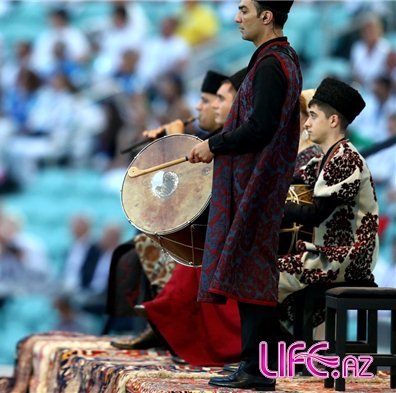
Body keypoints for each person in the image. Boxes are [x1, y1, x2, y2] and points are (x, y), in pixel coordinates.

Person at [187, 1, 302, 389]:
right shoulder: (273, 60)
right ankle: (253, 365)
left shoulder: (272, 64)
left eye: (244, 9)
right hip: (257, 181)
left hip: (259, 183)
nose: (236, 18)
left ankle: (258, 369)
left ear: (266, 16)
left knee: (255, 275)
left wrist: (214, 145)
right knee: (250, 273)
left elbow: (260, 128)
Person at [112, 69, 233, 351]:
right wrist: (164, 146)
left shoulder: (225, 140)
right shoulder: (206, 137)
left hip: (213, 234)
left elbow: (188, 193)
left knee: (155, 242)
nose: (199, 108)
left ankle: (173, 332)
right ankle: (158, 328)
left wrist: (177, 140)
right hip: (204, 228)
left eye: (207, 101)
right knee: (142, 240)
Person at [277, 78, 379, 332]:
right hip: (331, 252)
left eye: (312, 116)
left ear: (333, 121)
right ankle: (290, 349)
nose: (307, 123)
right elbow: (294, 178)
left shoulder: (346, 159)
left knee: (265, 275)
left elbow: (314, 214)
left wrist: (274, 209)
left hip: (351, 255)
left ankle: (277, 353)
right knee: (267, 272)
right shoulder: (326, 158)